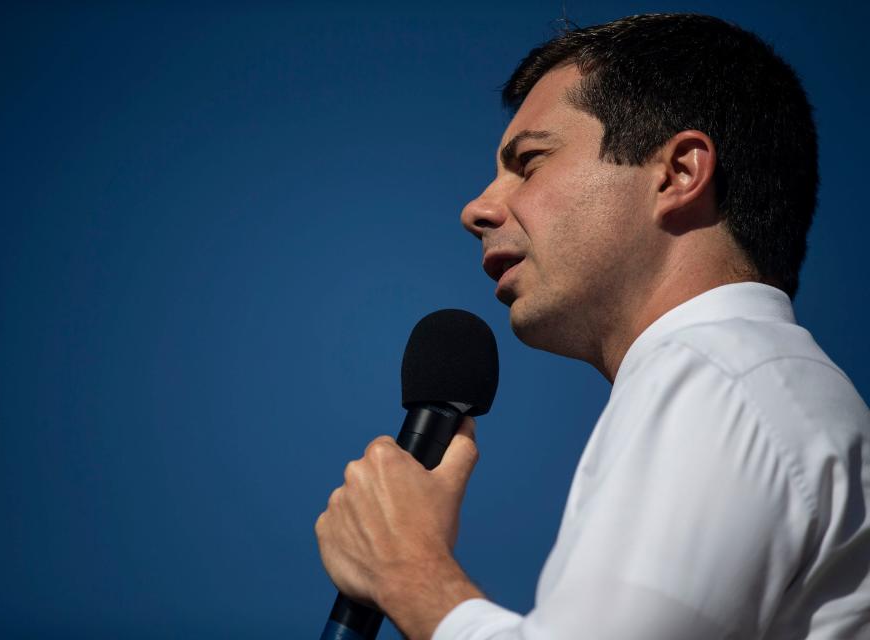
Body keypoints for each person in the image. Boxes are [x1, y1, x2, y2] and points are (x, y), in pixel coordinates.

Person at [314, 13, 870, 640]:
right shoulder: (757, 380)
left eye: (529, 162)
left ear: (680, 173)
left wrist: (408, 572)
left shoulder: (716, 373)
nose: (478, 209)